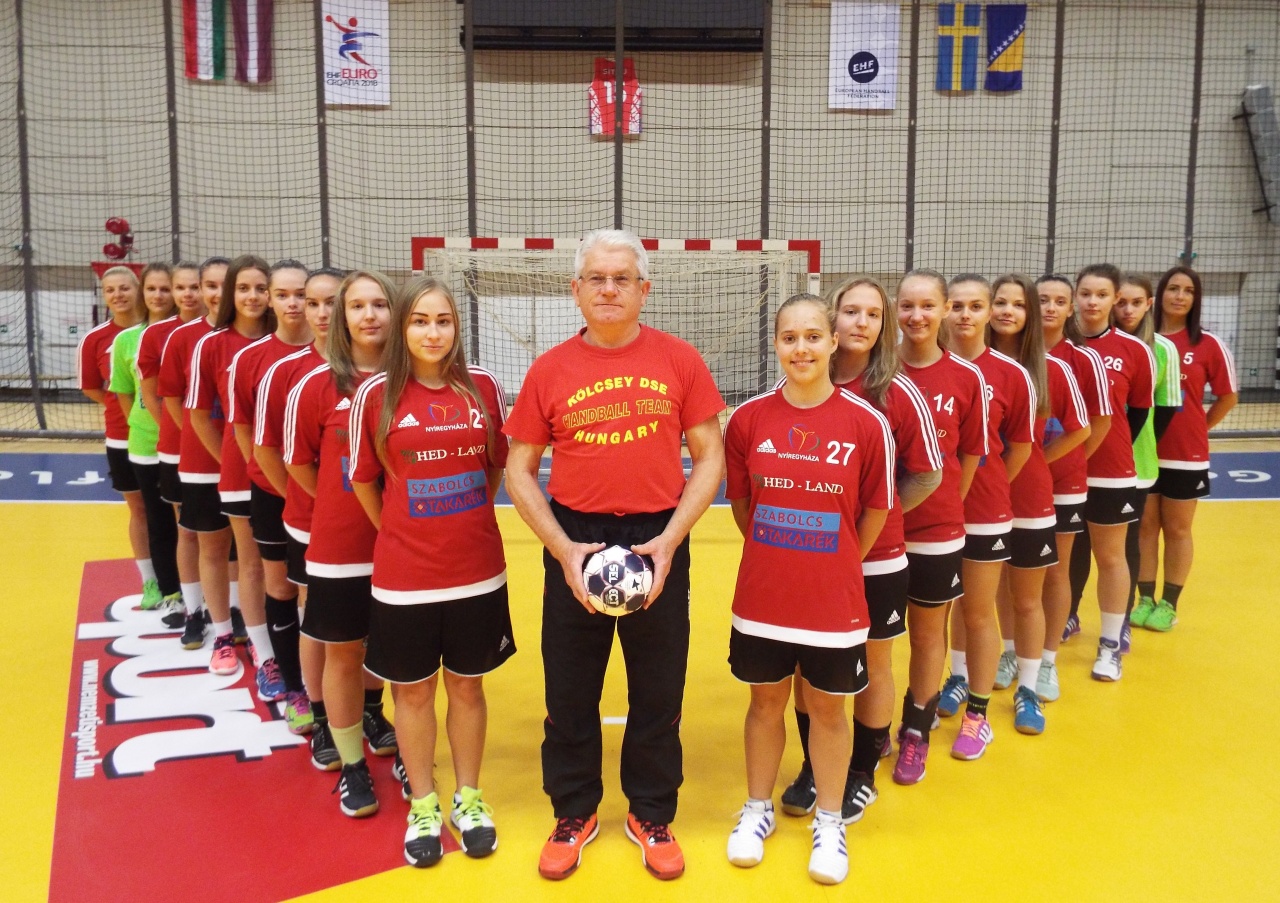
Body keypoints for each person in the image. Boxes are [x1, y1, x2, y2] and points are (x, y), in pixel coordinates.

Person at [503, 229, 725, 882]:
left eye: (621, 278)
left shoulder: (680, 359)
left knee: (659, 686)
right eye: (596, 278)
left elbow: (710, 455)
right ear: (575, 290)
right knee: (570, 688)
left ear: (644, 289)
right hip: (577, 537)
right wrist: (563, 548)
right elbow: (519, 469)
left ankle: (651, 812)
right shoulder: (549, 370)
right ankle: (573, 810)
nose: (608, 289)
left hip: (658, 535)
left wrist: (671, 539)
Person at [722, 293, 892, 885]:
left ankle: (830, 821)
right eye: (790, 338)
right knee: (764, 703)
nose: (802, 348)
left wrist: (838, 561)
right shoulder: (748, 421)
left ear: (833, 342)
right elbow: (743, 507)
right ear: (776, 344)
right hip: (763, 598)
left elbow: (875, 511)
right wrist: (779, 553)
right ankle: (757, 809)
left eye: (813, 337)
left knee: (827, 708)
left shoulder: (867, 423)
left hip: (833, 603)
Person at [349, 276, 514, 866]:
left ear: (457, 327)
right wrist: (400, 530)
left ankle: (469, 798)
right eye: (420, 320)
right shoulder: (376, 396)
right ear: (402, 327)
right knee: (413, 693)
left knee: (467, 687)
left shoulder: (483, 388)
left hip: (477, 571)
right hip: (404, 577)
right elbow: (365, 480)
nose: (432, 332)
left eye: (443, 320)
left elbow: (494, 468)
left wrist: (462, 520)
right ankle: (423, 804)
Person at [780, 277, 941, 824]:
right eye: (851, 311)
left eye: (873, 314)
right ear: (832, 320)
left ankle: (861, 773)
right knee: (807, 666)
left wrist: (873, 520)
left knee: (873, 662)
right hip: (808, 558)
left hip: (877, 559)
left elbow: (927, 475)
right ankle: (813, 767)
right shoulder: (801, 380)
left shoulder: (896, 392)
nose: (861, 323)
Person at [286, 271, 396, 817]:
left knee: (395, 649)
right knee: (344, 649)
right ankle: (352, 764)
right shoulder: (315, 385)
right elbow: (296, 463)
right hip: (340, 547)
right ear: (342, 317)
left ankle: (378, 718)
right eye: (357, 306)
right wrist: (342, 500)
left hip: (403, 546)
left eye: (380, 304)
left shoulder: (413, 380)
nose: (369, 315)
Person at [890, 269, 988, 785]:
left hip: (937, 532)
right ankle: (872, 728)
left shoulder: (966, 378)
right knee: (874, 639)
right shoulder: (880, 372)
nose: (917, 316)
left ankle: (916, 731)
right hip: (878, 534)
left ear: (945, 309)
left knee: (928, 636)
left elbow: (969, 456)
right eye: (907, 306)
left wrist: (947, 506)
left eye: (928, 305)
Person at [935, 274, 1034, 758]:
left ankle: (978, 714)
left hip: (984, 513)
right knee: (938, 613)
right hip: (932, 516)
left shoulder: (1012, 375)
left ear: (989, 312)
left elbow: (1020, 447)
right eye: (956, 305)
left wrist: (985, 487)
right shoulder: (923, 368)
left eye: (976, 306)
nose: (965, 315)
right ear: (944, 310)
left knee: (977, 610)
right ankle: (954, 679)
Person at [988, 273, 1089, 733]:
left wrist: (1035, 461)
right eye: (1000, 302)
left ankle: (1042, 667)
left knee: (1035, 589)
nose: (1007, 311)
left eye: (1018, 304)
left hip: (1031, 497)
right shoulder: (972, 365)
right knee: (996, 585)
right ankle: (1009, 652)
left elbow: (1082, 429)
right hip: (985, 500)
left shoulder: (1051, 368)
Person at [256, 267, 347, 766]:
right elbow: (270, 454)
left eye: (332, 302)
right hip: (312, 522)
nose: (321, 312)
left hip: (373, 527)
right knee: (317, 618)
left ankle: (367, 711)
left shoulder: (382, 368)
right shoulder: (286, 373)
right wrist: (322, 500)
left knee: (365, 624)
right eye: (313, 303)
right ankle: (317, 708)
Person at [227, 260, 315, 731]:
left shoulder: (343, 357)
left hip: (329, 500)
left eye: (302, 295)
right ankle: (295, 687)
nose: (293, 304)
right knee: (280, 587)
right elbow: (247, 434)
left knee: (321, 596)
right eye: (283, 295)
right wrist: (287, 488)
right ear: (270, 301)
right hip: (275, 492)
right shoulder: (252, 359)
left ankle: (342, 694)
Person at [186, 255, 275, 681]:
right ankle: (224, 636)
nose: (252, 296)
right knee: (237, 556)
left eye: (261, 288)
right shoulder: (211, 344)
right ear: (230, 295)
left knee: (271, 565)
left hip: (281, 474)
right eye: (243, 288)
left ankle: (265, 640)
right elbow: (198, 414)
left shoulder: (283, 340)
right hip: (238, 474)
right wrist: (233, 461)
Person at [1073, 263, 1155, 682]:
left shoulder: (1135, 351)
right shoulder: (1055, 346)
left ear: (1114, 300)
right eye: (1085, 293)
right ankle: (1056, 631)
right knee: (1062, 558)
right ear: (1075, 297)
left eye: (1102, 295)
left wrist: (1108, 447)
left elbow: (1137, 412)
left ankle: (1109, 644)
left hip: (1110, 471)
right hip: (1059, 473)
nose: (1092, 302)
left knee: (1110, 555)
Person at [1144, 265, 1238, 629]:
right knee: (1146, 527)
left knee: (1178, 529)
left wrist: (1201, 426)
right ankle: (1144, 599)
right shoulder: (1143, 340)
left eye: (1188, 290)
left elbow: (1228, 396)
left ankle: (1168, 604)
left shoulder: (1207, 344)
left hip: (1185, 455)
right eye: (1173, 288)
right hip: (1144, 453)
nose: (1179, 296)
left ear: (1196, 299)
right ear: (1160, 294)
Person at [1037, 273, 1111, 699]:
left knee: (1056, 570)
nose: (1050, 307)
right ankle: (1012, 652)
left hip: (1062, 482)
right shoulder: (1010, 357)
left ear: (1070, 310)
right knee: (1012, 574)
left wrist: (1066, 462)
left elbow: (1096, 424)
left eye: (1058, 301)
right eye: (1042, 299)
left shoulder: (1083, 360)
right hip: (1015, 486)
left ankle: (1047, 660)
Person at [159, 256, 234, 650]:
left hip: (251, 462)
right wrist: (203, 439)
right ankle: (194, 611)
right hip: (202, 461)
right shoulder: (184, 338)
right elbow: (174, 400)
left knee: (242, 546)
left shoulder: (259, 334)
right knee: (197, 537)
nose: (218, 293)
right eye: (211, 285)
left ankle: (236, 611)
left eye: (226, 284)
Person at [109, 263, 183, 624]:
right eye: (151, 289)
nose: (158, 295)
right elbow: (124, 393)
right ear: (143, 293)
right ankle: (170, 594)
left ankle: (197, 591)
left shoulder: (188, 333)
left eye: (166, 289)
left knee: (190, 525)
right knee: (158, 520)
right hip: (146, 444)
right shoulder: (126, 340)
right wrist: (144, 423)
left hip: (187, 445)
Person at [1113, 273, 1183, 643]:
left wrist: (1132, 442)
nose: (1128, 310)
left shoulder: (1162, 349)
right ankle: (1072, 613)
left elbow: (1167, 408)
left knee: (1129, 540)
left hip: (1137, 464)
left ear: (1148, 305)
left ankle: (1124, 618)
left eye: (1136, 302)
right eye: (1121, 302)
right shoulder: (1091, 345)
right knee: (1080, 544)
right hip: (1089, 464)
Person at [138, 261, 205, 631]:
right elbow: (152, 395)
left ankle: (227, 603)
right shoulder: (157, 335)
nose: (188, 294)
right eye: (181, 287)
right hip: (178, 450)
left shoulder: (224, 330)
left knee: (226, 534)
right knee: (187, 528)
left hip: (222, 452)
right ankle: (186, 600)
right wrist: (186, 433)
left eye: (195, 286)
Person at [79, 266, 150, 603]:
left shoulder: (157, 330)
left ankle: (184, 578)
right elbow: (93, 387)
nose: (118, 295)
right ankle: (150, 581)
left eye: (124, 288)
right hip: (122, 436)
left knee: (173, 512)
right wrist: (125, 406)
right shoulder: (95, 339)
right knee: (139, 510)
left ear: (138, 289)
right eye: (110, 290)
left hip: (162, 438)